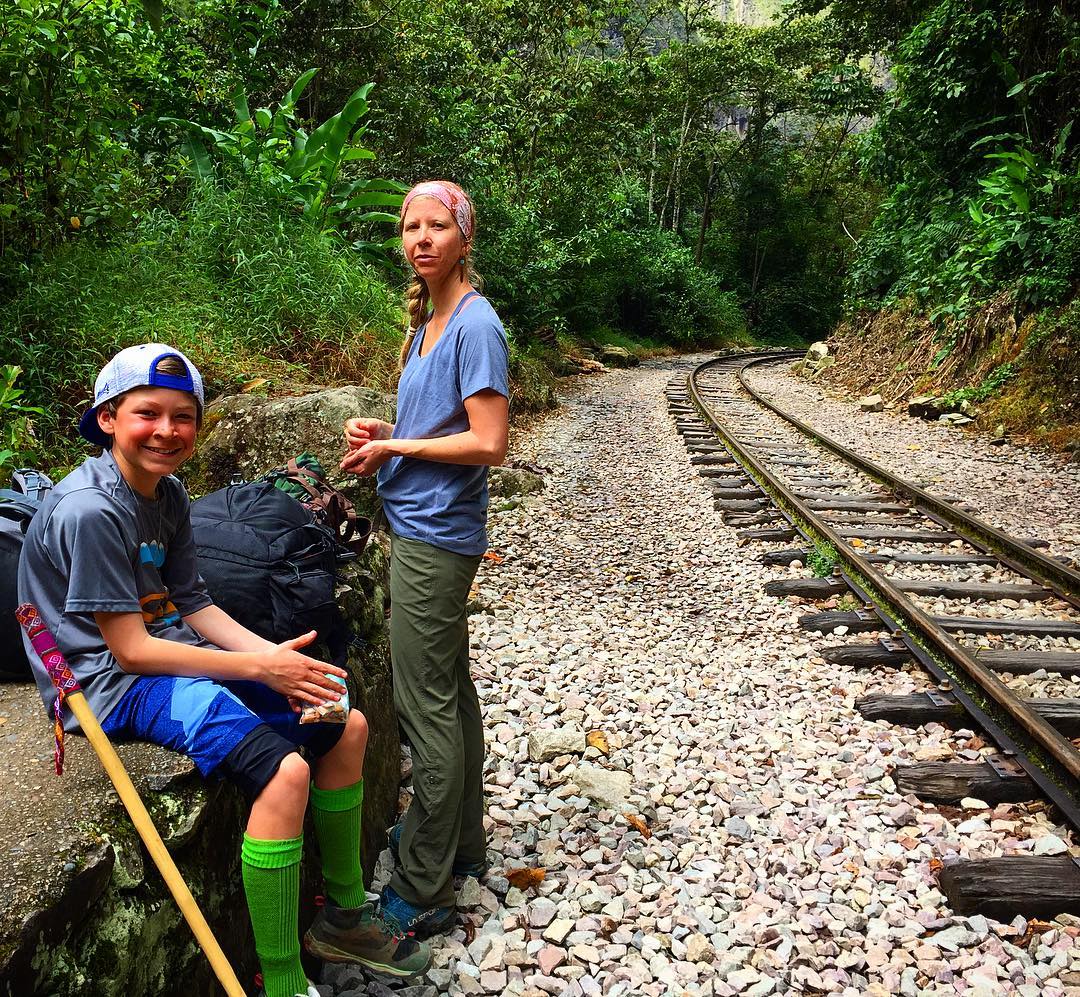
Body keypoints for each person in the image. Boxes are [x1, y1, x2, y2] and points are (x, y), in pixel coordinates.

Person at [17, 343, 430, 997]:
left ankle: (343, 917)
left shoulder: (169, 492)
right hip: (107, 687)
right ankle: (285, 980)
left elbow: (198, 605)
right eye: (146, 412)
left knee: (342, 718)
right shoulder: (91, 511)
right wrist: (254, 663)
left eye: (184, 415)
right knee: (285, 771)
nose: (167, 430)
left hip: (168, 654)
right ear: (106, 419)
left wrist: (276, 663)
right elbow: (130, 651)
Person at [340, 180, 509, 937]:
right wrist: (390, 427)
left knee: (423, 704)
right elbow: (438, 419)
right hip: (419, 522)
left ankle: (422, 880)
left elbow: (489, 442)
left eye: (438, 225)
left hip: (436, 536)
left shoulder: (476, 326)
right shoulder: (426, 321)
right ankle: (464, 848)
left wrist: (399, 445)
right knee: (453, 691)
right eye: (410, 226)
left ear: (465, 236)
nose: (421, 237)